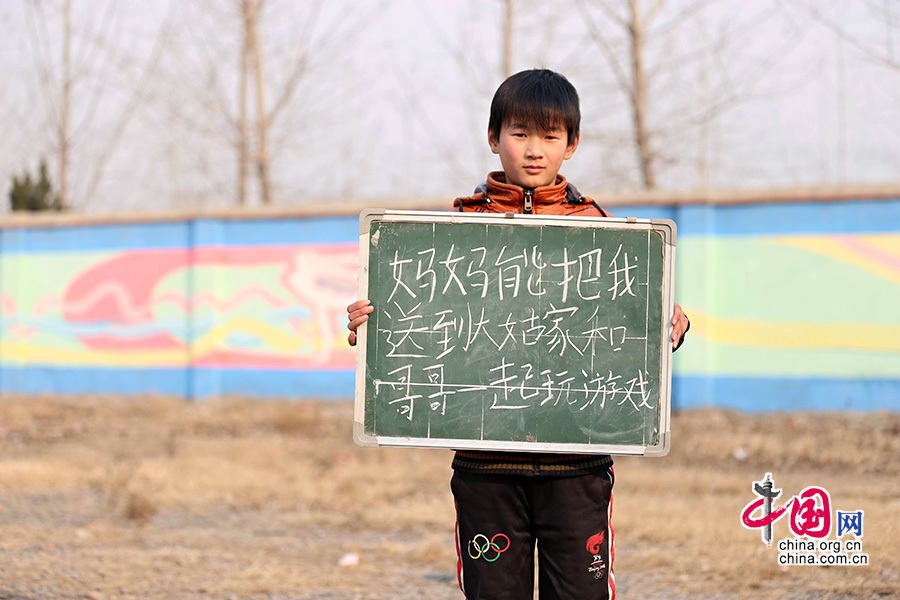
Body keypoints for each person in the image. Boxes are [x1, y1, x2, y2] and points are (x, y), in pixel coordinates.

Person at [346, 69, 689, 600]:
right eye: (520, 133)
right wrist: (373, 322)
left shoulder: (605, 232)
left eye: (551, 136)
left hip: (579, 467)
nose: (535, 150)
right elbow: (416, 326)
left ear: (571, 145)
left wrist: (670, 325)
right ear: (493, 137)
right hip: (487, 469)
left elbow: (630, 331)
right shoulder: (450, 236)